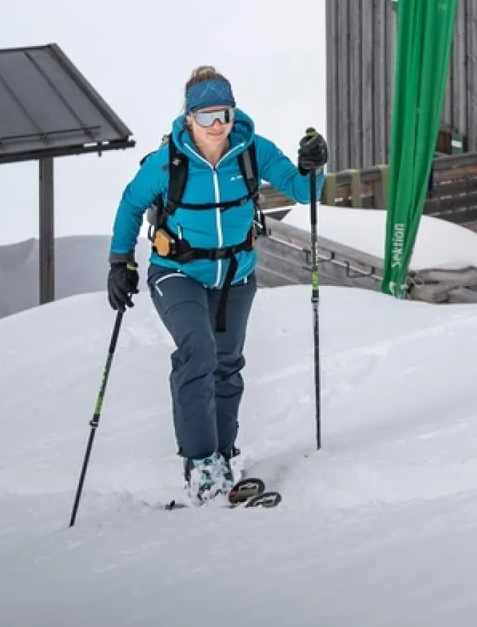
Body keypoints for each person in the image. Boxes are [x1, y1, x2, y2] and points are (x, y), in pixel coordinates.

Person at [107, 66, 328, 506]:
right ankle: (200, 463)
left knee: (227, 364)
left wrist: (313, 166)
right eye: (207, 117)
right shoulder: (167, 162)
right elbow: (131, 204)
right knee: (198, 351)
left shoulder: (251, 150)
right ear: (188, 118)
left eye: (224, 114)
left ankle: (223, 460)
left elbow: (304, 191)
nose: (218, 126)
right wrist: (120, 262)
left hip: (236, 275)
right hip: (178, 272)